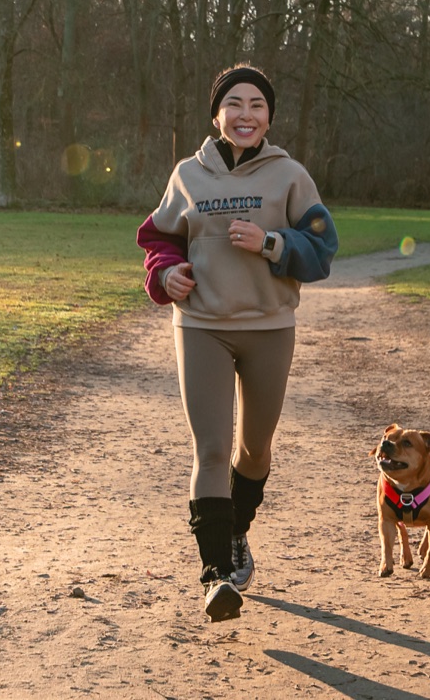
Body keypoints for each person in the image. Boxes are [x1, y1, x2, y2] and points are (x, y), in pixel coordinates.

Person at [136, 64, 339, 622]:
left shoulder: (289, 176)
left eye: (256, 105)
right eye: (234, 104)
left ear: (268, 116)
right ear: (216, 114)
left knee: (254, 450)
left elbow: (323, 250)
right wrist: (166, 274)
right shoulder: (188, 176)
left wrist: (272, 242)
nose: (245, 114)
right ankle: (215, 576)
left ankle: (236, 533)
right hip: (200, 325)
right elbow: (158, 237)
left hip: (269, 328)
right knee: (211, 450)